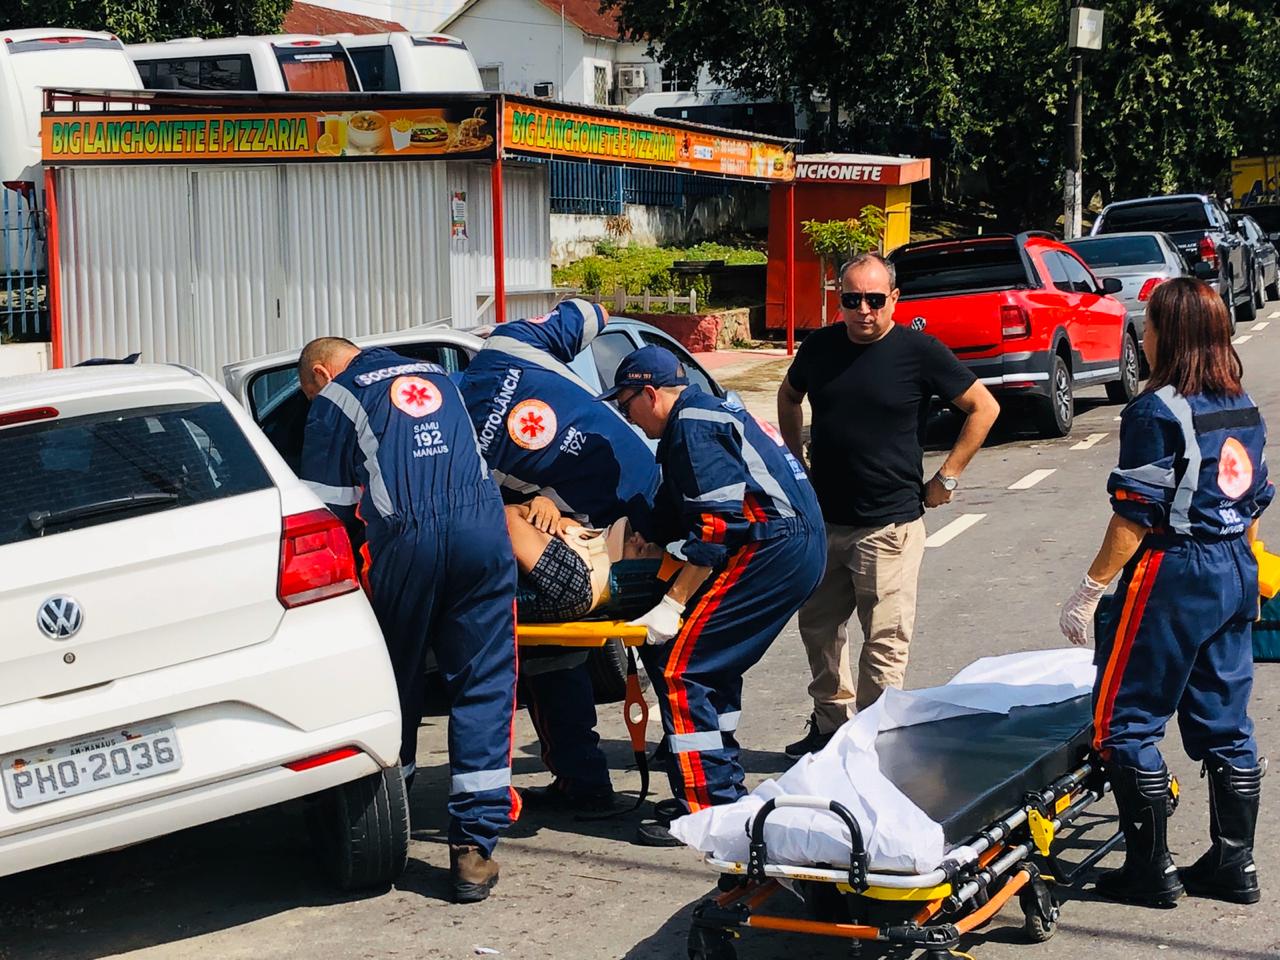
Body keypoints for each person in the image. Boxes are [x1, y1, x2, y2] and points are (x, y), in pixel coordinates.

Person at [1059, 278, 1272, 908]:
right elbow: (1254, 498)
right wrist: (1249, 569)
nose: (1143, 336)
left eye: (1148, 325)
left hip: (1175, 572)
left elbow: (1135, 513)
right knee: (1226, 722)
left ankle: (1150, 871)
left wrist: (1090, 589)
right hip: (1235, 565)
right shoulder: (1242, 404)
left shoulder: (1155, 411)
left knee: (1123, 723)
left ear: (1168, 336)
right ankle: (1235, 864)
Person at [297, 337, 518, 904]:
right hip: (482, 536)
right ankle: (473, 850)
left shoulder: (335, 399)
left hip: (404, 546)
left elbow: (328, 515)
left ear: (320, 374)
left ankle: (387, 814)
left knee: (392, 684)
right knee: (485, 684)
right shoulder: (437, 375)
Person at [598, 345, 826, 845]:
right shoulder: (710, 411)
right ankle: (720, 783)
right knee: (713, 666)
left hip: (771, 545)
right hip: (794, 543)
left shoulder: (693, 426)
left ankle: (707, 809)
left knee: (682, 669)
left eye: (626, 404)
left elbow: (716, 529)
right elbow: (675, 511)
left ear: (650, 394)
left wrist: (673, 604)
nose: (627, 416)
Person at [777, 252, 1000, 757]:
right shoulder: (820, 347)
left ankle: (872, 742)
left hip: (888, 527)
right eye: (852, 299)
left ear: (894, 299)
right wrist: (795, 462)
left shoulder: (919, 352)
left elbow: (984, 407)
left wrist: (948, 476)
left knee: (883, 644)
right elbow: (789, 396)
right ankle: (830, 728)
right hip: (825, 521)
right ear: (839, 300)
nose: (863, 310)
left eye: (875, 300)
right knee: (819, 632)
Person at [457, 299, 662, 813]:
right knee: (667, 653)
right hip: (650, 522)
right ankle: (682, 779)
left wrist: (532, 504)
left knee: (545, 654)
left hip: (592, 555)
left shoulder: (458, 448)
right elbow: (593, 311)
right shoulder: (511, 344)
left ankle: (583, 782)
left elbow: (483, 519)